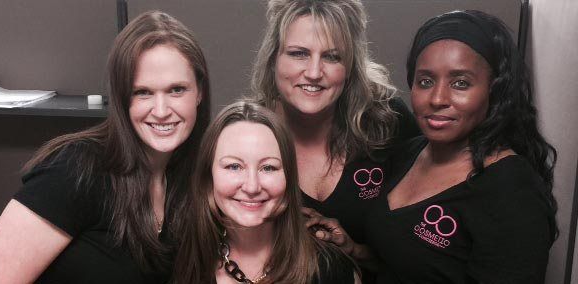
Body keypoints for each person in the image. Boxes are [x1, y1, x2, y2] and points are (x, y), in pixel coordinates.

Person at [0, 11, 211, 283]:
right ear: (122, 98)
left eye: (176, 90)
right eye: (142, 92)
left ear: (199, 92)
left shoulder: (192, 178)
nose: (161, 110)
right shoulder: (76, 168)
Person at [360, 10, 557, 283]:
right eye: (425, 81)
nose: (438, 98)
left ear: (494, 90)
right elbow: (403, 259)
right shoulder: (408, 152)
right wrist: (355, 251)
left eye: (460, 83)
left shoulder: (512, 192)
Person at [249, 0, 420, 266]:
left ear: (350, 66)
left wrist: (355, 251)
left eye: (332, 56)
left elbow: (418, 253)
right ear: (273, 58)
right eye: (298, 53)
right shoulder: (248, 133)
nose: (315, 72)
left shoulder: (387, 119)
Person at [172, 101, 360, 283]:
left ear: (288, 177)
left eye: (268, 168)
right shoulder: (181, 267)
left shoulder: (332, 269)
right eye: (234, 166)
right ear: (208, 176)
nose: (252, 187)